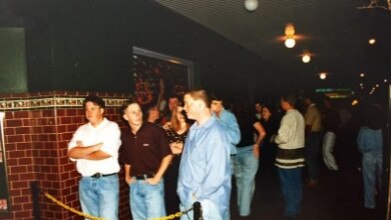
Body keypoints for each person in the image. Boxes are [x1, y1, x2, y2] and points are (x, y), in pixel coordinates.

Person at [177, 89, 231, 220]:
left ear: (200, 105)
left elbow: (216, 175)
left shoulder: (216, 134)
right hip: (187, 198)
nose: (184, 108)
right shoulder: (194, 129)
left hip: (205, 203)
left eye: (187, 103)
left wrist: (197, 197)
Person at [67, 95, 121, 220]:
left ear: (102, 110)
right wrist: (94, 147)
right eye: (86, 109)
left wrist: (82, 152)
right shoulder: (81, 130)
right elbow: (71, 153)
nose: (89, 112)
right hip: (86, 182)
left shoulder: (112, 127)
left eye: (93, 108)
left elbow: (105, 153)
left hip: (107, 182)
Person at [119, 98, 173, 220]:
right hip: (134, 185)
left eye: (139, 111)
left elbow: (167, 155)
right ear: (125, 117)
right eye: (133, 112)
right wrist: (127, 176)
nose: (138, 114)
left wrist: (157, 178)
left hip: (152, 183)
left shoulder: (154, 130)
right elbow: (127, 159)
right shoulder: (126, 136)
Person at [273, 94, 305, 219]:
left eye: (282, 102)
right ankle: (297, 207)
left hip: (286, 156)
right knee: (296, 182)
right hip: (298, 154)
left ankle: (290, 210)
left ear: (287, 103)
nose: (281, 104)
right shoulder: (300, 115)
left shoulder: (287, 117)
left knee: (287, 184)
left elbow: (283, 138)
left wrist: (275, 138)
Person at [232, 102, 266, 217]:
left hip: (235, 153)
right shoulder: (251, 118)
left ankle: (239, 204)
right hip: (249, 152)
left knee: (239, 181)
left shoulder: (232, 118)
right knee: (248, 182)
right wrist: (256, 145)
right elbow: (262, 132)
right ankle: (244, 211)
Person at [163, 105, 191, 215]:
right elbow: (163, 149)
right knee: (170, 200)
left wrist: (180, 147)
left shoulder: (193, 129)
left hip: (186, 169)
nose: (181, 115)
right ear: (175, 113)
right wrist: (172, 148)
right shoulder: (168, 129)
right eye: (179, 112)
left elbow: (193, 150)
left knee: (185, 201)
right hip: (170, 170)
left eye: (183, 112)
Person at [357, 103, 383, 214]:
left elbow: (360, 147)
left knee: (368, 181)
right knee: (382, 179)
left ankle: (370, 204)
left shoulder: (364, 130)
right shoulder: (384, 129)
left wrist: (366, 152)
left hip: (368, 157)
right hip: (381, 156)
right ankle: (384, 199)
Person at [303, 95, 322, 187]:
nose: (304, 101)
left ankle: (312, 179)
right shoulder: (316, 108)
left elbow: (308, 126)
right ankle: (314, 177)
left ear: (308, 99)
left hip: (311, 135)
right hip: (316, 135)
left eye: (305, 99)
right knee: (314, 157)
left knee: (310, 158)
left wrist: (305, 137)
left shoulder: (310, 109)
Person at [321, 97, 341, 171]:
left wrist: (325, 121)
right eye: (324, 102)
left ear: (329, 102)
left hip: (331, 132)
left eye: (325, 101)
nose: (324, 103)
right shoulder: (328, 111)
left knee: (327, 151)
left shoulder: (332, 111)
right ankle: (329, 168)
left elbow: (337, 122)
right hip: (327, 132)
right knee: (324, 151)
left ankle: (335, 168)